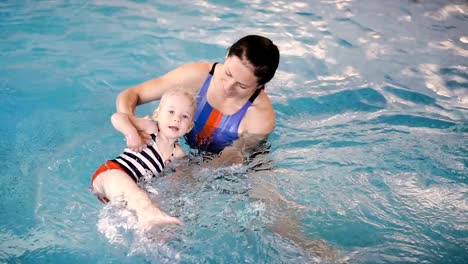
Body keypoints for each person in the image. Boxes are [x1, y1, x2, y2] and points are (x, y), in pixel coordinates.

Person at [116, 35, 280, 165]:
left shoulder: (260, 116)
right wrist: (133, 126)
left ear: (260, 86)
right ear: (226, 55)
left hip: (230, 165)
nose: (228, 87)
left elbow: (227, 160)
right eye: (228, 73)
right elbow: (131, 95)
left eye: (242, 86)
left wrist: (183, 171)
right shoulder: (199, 76)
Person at [90, 89, 196, 230]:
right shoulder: (150, 128)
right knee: (141, 200)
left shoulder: (178, 155)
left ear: (189, 127)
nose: (177, 119)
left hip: (127, 194)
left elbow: (176, 185)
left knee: (148, 207)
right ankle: (149, 215)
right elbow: (117, 118)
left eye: (184, 116)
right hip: (110, 175)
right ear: (157, 115)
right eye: (171, 112)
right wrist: (131, 133)